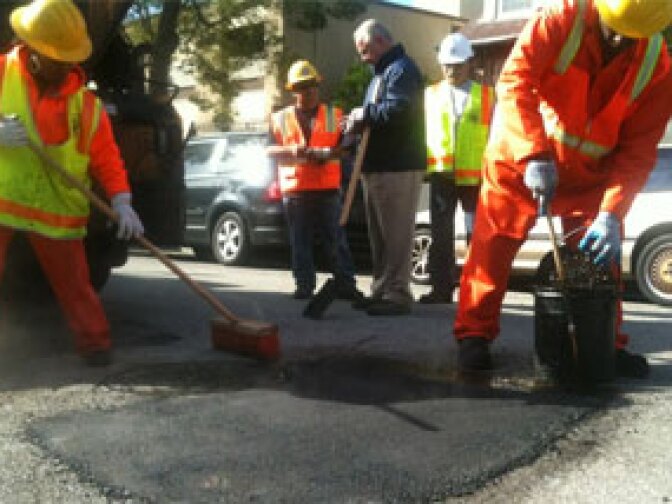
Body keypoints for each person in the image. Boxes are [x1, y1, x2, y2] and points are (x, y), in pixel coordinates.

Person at [453, 0, 672, 377]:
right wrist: (533, 154)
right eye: (613, 29)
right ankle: (474, 334)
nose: (619, 39)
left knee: (599, 261)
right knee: (493, 246)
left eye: (629, 36)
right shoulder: (559, 20)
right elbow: (514, 81)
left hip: (588, 177)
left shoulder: (658, 66)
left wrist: (610, 213)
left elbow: (638, 151)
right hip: (521, 160)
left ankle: (604, 342)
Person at [0, 0, 144, 366]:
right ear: (33, 49)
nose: (67, 65)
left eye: (70, 58)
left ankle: (95, 345)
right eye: (58, 57)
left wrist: (122, 200)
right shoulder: (1, 76)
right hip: (2, 201)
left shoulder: (86, 105)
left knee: (76, 286)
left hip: (57, 211)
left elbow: (107, 157)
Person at [344, 19, 425, 316]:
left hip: (397, 165)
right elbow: (376, 116)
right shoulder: (381, 74)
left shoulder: (402, 69)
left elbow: (400, 109)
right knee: (379, 235)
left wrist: (362, 114)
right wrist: (354, 124)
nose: (363, 57)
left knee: (396, 233)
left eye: (365, 49)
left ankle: (398, 293)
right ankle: (382, 288)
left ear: (381, 41)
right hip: (378, 165)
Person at [267, 59, 360, 300]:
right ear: (293, 90)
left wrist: (326, 153)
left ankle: (345, 284)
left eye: (311, 86)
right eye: (302, 87)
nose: (307, 91)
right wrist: (293, 150)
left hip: (327, 189)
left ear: (317, 87)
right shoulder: (280, 118)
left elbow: (346, 148)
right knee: (301, 242)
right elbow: (269, 150)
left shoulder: (333, 115)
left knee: (336, 240)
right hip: (296, 190)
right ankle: (304, 286)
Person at [420, 33, 494, 305]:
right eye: (447, 65)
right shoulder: (430, 95)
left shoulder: (487, 96)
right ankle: (441, 289)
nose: (451, 70)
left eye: (457, 65)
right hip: (442, 174)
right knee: (441, 234)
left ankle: (477, 289)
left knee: (477, 235)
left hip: (475, 178)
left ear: (470, 63)